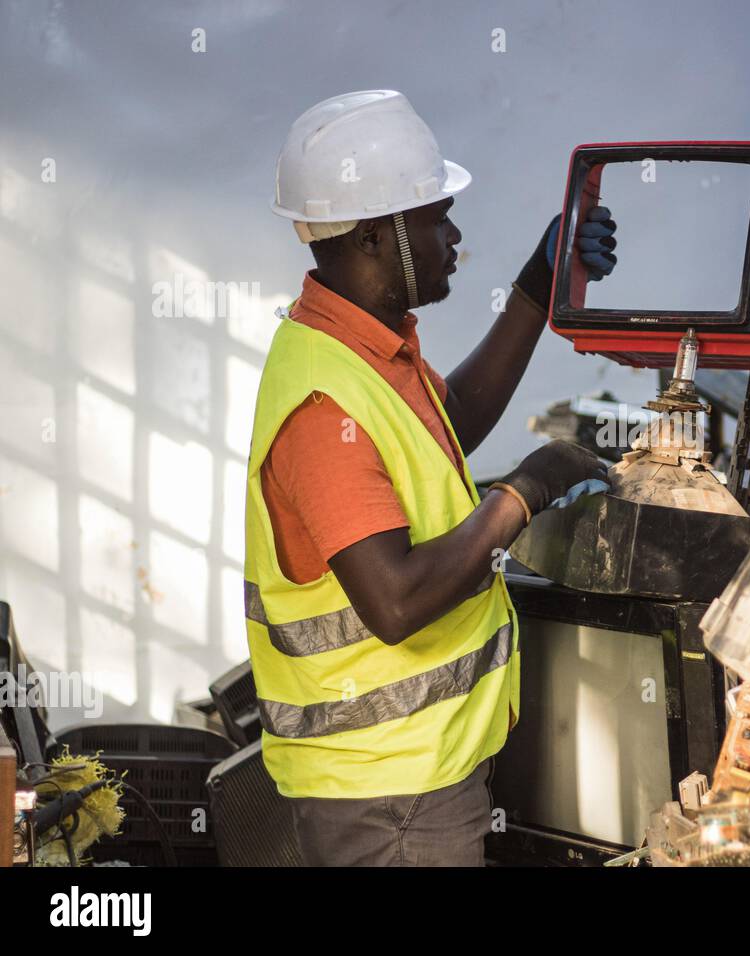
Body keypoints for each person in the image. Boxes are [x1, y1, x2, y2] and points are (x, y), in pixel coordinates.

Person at [243, 89, 616, 865]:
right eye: (435, 218)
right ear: (379, 235)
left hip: (414, 779)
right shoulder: (323, 401)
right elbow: (396, 600)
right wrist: (524, 491)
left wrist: (539, 283)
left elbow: (455, 424)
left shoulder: (367, 351)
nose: (453, 236)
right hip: (388, 800)